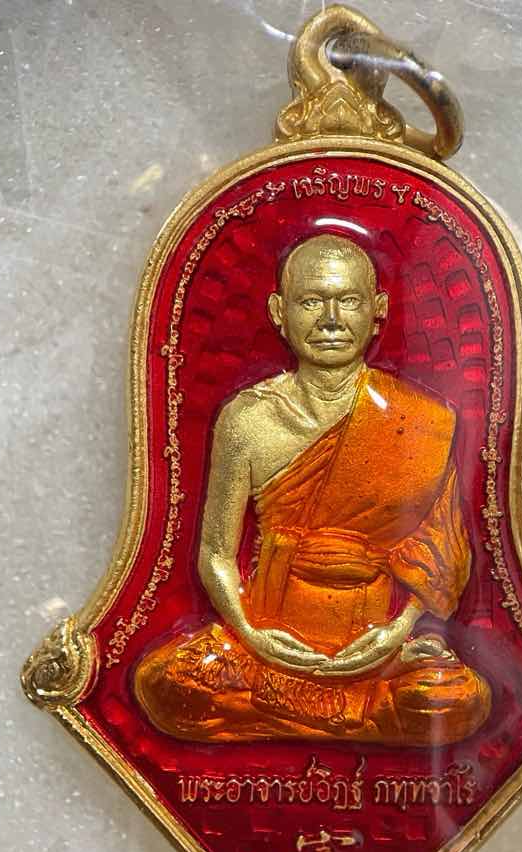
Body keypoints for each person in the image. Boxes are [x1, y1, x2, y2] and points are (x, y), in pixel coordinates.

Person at [133, 233, 491, 745]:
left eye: (348, 301)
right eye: (310, 302)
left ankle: (304, 709)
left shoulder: (421, 420)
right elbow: (215, 554)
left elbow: (443, 553)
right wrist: (252, 634)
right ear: (278, 312)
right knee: (165, 685)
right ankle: (359, 715)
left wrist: (396, 633)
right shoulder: (248, 419)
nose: (331, 320)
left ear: (378, 310)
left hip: (373, 645)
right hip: (268, 637)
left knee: (458, 699)